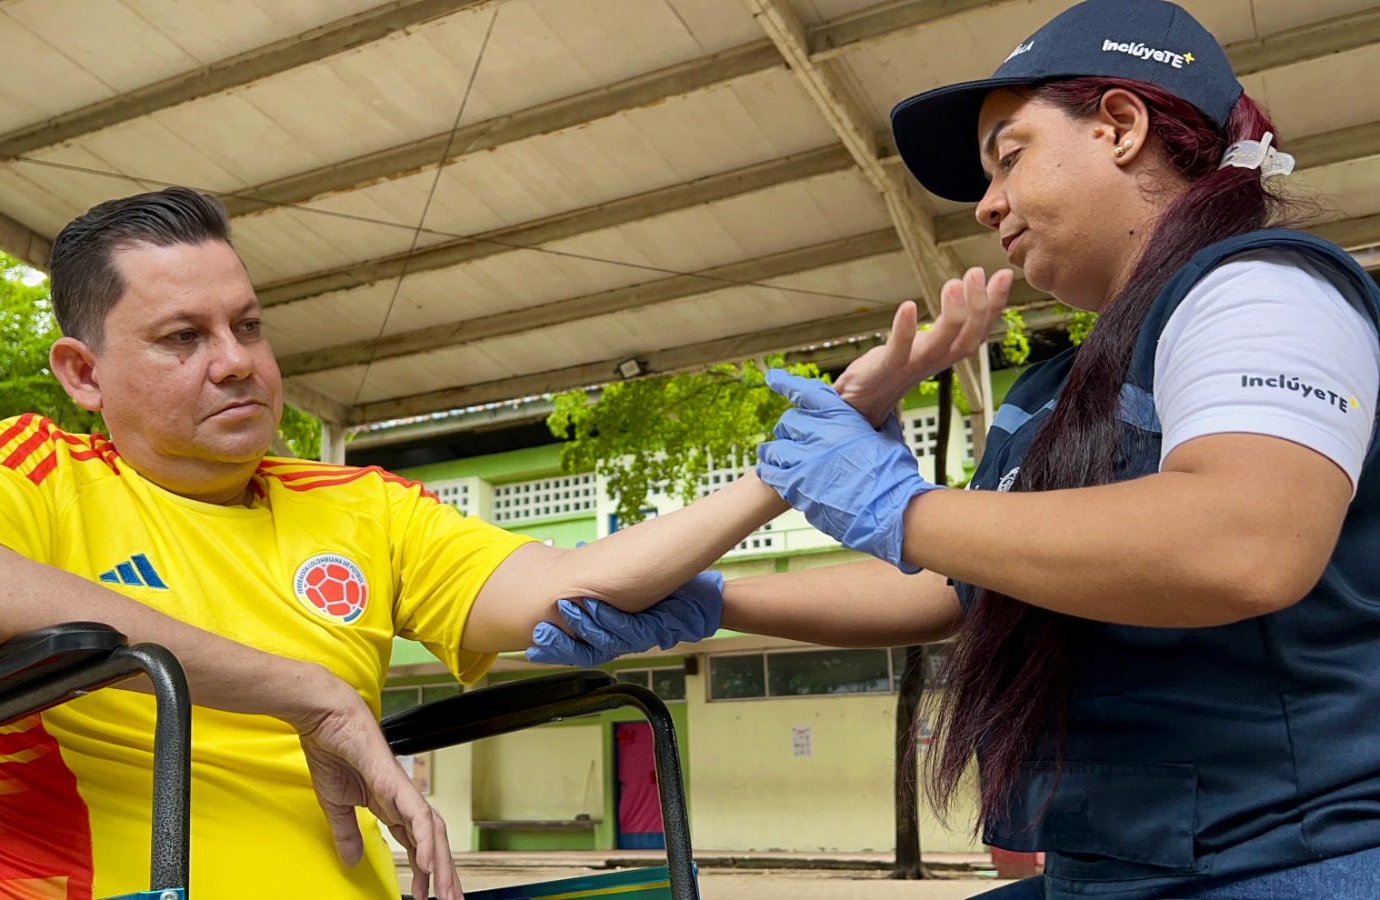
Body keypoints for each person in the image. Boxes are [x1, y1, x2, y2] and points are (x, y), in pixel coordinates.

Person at [533, 1, 1380, 897]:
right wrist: (714, 602)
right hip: (1121, 860)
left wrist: (901, 503)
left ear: (1121, 127)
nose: (987, 205)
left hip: (1293, 853)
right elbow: (954, 585)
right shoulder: (1050, 395)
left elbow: (1244, 540)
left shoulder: (1259, 289)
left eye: (1008, 156)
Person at [0, 187, 786, 900]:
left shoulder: (364, 507)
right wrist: (305, 695)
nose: (236, 360)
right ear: (84, 373)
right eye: (182, 338)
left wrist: (783, 474)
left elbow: (568, 586)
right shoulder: (38, 470)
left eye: (247, 325)